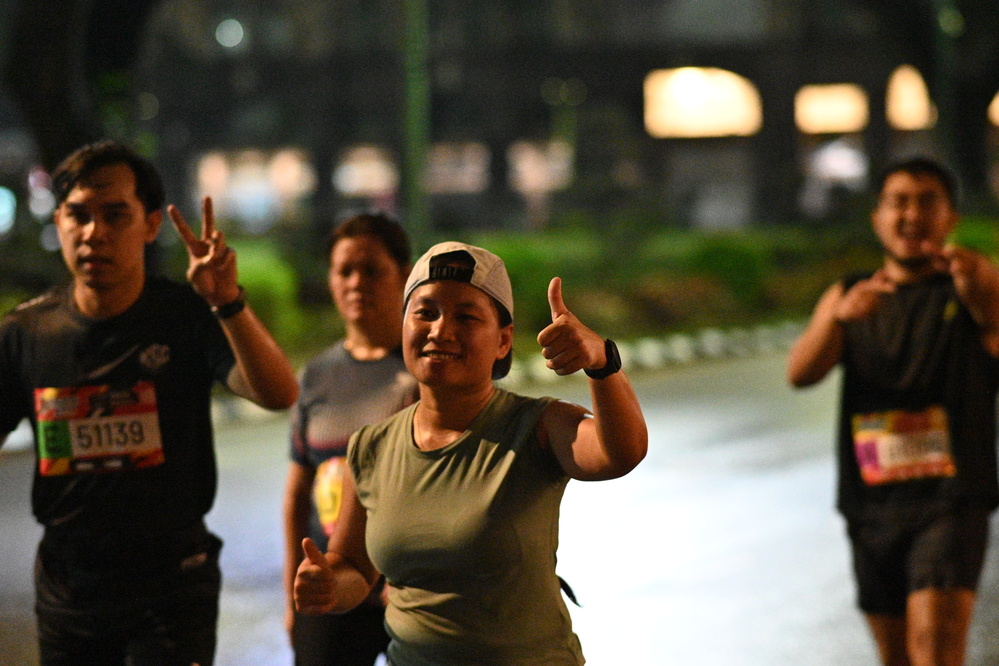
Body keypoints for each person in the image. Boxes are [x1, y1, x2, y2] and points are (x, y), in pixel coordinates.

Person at [0, 140, 299, 665]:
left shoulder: (186, 317)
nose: (94, 232)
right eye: (78, 215)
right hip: (70, 594)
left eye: (115, 215)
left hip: (171, 591)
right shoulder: (27, 333)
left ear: (150, 224)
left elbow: (278, 393)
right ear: (60, 222)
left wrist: (227, 302)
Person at [293, 241, 648, 665]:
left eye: (466, 316)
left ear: (503, 341)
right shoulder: (370, 447)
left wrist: (602, 363)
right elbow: (353, 567)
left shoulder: (539, 426)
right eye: (425, 312)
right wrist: (329, 585)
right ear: (404, 326)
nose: (440, 330)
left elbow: (620, 452)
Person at [787, 156, 999, 666]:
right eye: (898, 202)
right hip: (871, 504)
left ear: (950, 218)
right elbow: (801, 373)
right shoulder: (850, 294)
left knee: (935, 648)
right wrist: (839, 320)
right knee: (897, 656)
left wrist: (983, 299)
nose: (912, 215)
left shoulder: (974, 285)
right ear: (878, 218)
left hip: (952, 499)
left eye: (928, 202)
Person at [283, 212, 418, 665]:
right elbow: (297, 493)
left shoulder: (428, 370)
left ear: (404, 275)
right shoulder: (316, 375)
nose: (357, 283)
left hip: (409, 589)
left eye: (372, 270)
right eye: (344, 271)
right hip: (333, 584)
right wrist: (293, 593)